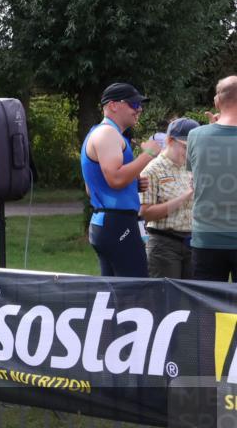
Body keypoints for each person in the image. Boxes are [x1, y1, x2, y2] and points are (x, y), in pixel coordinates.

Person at [81, 82, 162, 277]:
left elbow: (92, 188)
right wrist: (149, 154)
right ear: (113, 105)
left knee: (113, 294)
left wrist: (133, 183)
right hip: (116, 223)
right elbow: (115, 179)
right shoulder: (107, 133)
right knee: (135, 291)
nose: (139, 109)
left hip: (108, 222)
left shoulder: (104, 133)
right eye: (134, 104)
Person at [187, 75, 237, 282]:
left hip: (206, 237)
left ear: (217, 101)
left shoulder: (195, 135)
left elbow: (194, 179)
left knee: (205, 308)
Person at [139, 117, 198, 279]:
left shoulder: (192, 166)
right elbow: (146, 213)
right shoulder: (152, 169)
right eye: (186, 147)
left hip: (192, 243)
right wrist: (185, 196)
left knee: (195, 301)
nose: (190, 153)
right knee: (166, 300)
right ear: (170, 140)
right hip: (164, 245)